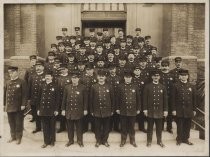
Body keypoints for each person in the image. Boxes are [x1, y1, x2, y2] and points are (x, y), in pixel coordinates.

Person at [62, 71, 88, 147]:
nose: (74, 79)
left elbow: (85, 100)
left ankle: (80, 141)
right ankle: (70, 141)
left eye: (76, 78)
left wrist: (85, 109)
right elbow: (64, 99)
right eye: (73, 78)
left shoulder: (83, 87)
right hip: (69, 110)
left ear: (78, 79)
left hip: (79, 111)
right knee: (70, 127)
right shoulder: (67, 87)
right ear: (71, 79)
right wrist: (63, 109)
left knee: (79, 127)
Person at [90, 69, 115, 147]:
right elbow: (91, 99)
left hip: (107, 111)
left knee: (106, 127)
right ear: (97, 77)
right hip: (97, 111)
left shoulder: (109, 86)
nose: (101, 77)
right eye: (100, 76)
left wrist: (112, 110)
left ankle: (105, 141)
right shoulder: (94, 87)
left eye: (103, 76)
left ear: (105, 77)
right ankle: (98, 140)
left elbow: (112, 99)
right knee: (97, 127)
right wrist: (92, 110)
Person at [143, 69, 168, 148]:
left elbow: (165, 100)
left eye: (157, 76)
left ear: (159, 77)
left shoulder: (162, 87)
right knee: (150, 128)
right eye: (154, 76)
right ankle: (149, 141)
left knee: (159, 128)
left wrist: (165, 110)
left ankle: (159, 141)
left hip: (160, 111)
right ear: (152, 77)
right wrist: (145, 109)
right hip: (150, 111)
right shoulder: (147, 87)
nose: (156, 77)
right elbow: (145, 99)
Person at [171, 69, 196, 146]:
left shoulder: (191, 86)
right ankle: (179, 139)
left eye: (185, 75)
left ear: (187, 76)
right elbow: (172, 99)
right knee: (180, 125)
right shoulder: (175, 86)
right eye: (182, 75)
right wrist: (173, 109)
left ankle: (186, 139)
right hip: (179, 109)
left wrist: (194, 110)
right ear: (179, 77)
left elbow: (194, 99)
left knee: (187, 125)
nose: (184, 77)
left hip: (189, 110)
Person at [116, 70, 141, 147]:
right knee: (123, 126)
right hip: (123, 110)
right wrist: (117, 108)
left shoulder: (135, 86)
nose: (128, 79)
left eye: (129, 77)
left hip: (132, 110)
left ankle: (132, 140)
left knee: (131, 126)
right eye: (126, 77)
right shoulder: (120, 86)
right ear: (124, 78)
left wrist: (138, 109)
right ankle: (123, 140)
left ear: (131, 78)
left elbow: (138, 99)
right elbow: (117, 98)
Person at [4, 66, 27, 144]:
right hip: (9, 106)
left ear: (17, 72)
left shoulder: (22, 82)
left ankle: (18, 137)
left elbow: (24, 95)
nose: (11, 74)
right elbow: (5, 94)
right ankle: (12, 136)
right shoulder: (7, 82)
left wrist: (23, 104)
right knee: (11, 122)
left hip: (18, 106)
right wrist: (4, 104)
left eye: (12, 72)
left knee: (18, 122)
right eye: (10, 72)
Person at [37, 70, 59, 148]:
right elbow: (39, 98)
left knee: (52, 126)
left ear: (52, 77)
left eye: (49, 76)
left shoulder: (55, 86)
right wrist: (38, 109)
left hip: (52, 110)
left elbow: (57, 99)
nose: (47, 78)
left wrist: (56, 109)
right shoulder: (42, 85)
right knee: (45, 127)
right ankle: (46, 142)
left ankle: (52, 141)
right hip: (43, 110)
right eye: (46, 76)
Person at [28, 60, 46, 134]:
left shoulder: (46, 76)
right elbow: (29, 88)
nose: (37, 68)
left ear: (43, 67)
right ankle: (38, 127)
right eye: (36, 66)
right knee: (35, 114)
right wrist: (29, 98)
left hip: (43, 99)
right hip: (34, 99)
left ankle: (45, 128)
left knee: (44, 114)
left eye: (39, 66)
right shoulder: (32, 76)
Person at [56, 64, 71, 133]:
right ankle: (62, 127)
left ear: (67, 70)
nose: (62, 70)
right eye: (61, 69)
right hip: (60, 98)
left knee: (68, 112)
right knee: (61, 113)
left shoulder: (70, 78)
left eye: (64, 69)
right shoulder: (58, 78)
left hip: (68, 98)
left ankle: (69, 127)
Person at [160, 60, 174, 133]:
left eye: (166, 66)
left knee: (170, 113)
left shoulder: (172, 75)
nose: (164, 67)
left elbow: (174, 87)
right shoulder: (158, 75)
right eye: (163, 66)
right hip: (161, 97)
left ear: (168, 67)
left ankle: (169, 127)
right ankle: (161, 127)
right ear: (161, 66)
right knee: (161, 112)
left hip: (170, 97)